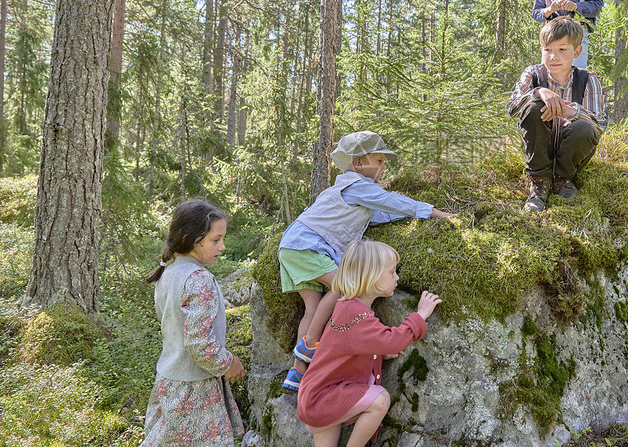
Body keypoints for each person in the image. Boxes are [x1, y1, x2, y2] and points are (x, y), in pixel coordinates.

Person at [279, 131, 453, 390]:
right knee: (342, 286)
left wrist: (401, 216)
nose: (384, 166)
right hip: (308, 245)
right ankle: (309, 346)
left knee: (313, 308)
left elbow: (380, 213)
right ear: (358, 163)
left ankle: (298, 373)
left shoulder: (347, 191)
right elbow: (391, 201)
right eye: (379, 160)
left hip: (294, 246)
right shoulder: (358, 186)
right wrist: (433, 212)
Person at [296, 239, 442, 447]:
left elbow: (344, 348)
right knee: (379, 400)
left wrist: (378, 355)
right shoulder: (354, 313)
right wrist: (420, 315)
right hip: (324, 399)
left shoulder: (347, 308)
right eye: (392, 272)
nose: (397, 277)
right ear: (371, 277)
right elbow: (393, 341)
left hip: (318, 397)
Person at [141, 199, 246, 446]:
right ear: (190, 238)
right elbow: (200, 345)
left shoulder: (170, 271)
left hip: (170, 378)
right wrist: (229, 363)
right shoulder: (199, 279)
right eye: (215, 240)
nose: (222, 246)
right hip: (194, 389)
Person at [507, 16, 608, 213]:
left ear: (577, 51)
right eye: (548, 50)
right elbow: (512, 107)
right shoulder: (533, 74)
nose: (554, 56)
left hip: (571, 149)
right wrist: (539, 92)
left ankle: (563, 179)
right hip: (539, 146)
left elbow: (600, 123)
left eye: (562, 49)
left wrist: (573, 111)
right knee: (533, 107)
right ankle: (539, 182)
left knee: (585, 127)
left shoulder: (588, 79)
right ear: (541, 50)